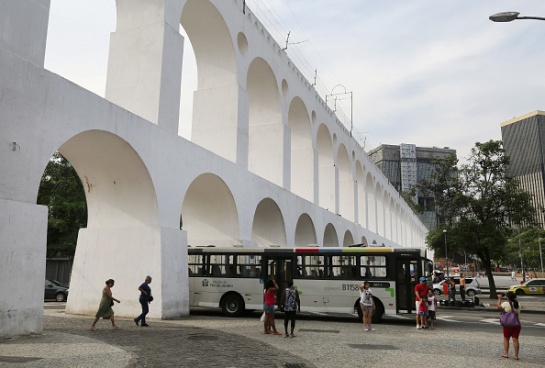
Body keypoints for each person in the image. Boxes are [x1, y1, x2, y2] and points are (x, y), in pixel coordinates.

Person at [497, 292, 522, 360]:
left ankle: (506, 353)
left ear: (508, 298)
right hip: (517, 324)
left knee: (506, 338)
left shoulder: (506, 304)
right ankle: (516, 356)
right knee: (515, 339)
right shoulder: (518, 304)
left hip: (508, 325)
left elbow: (498, 307)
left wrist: (499, 299)